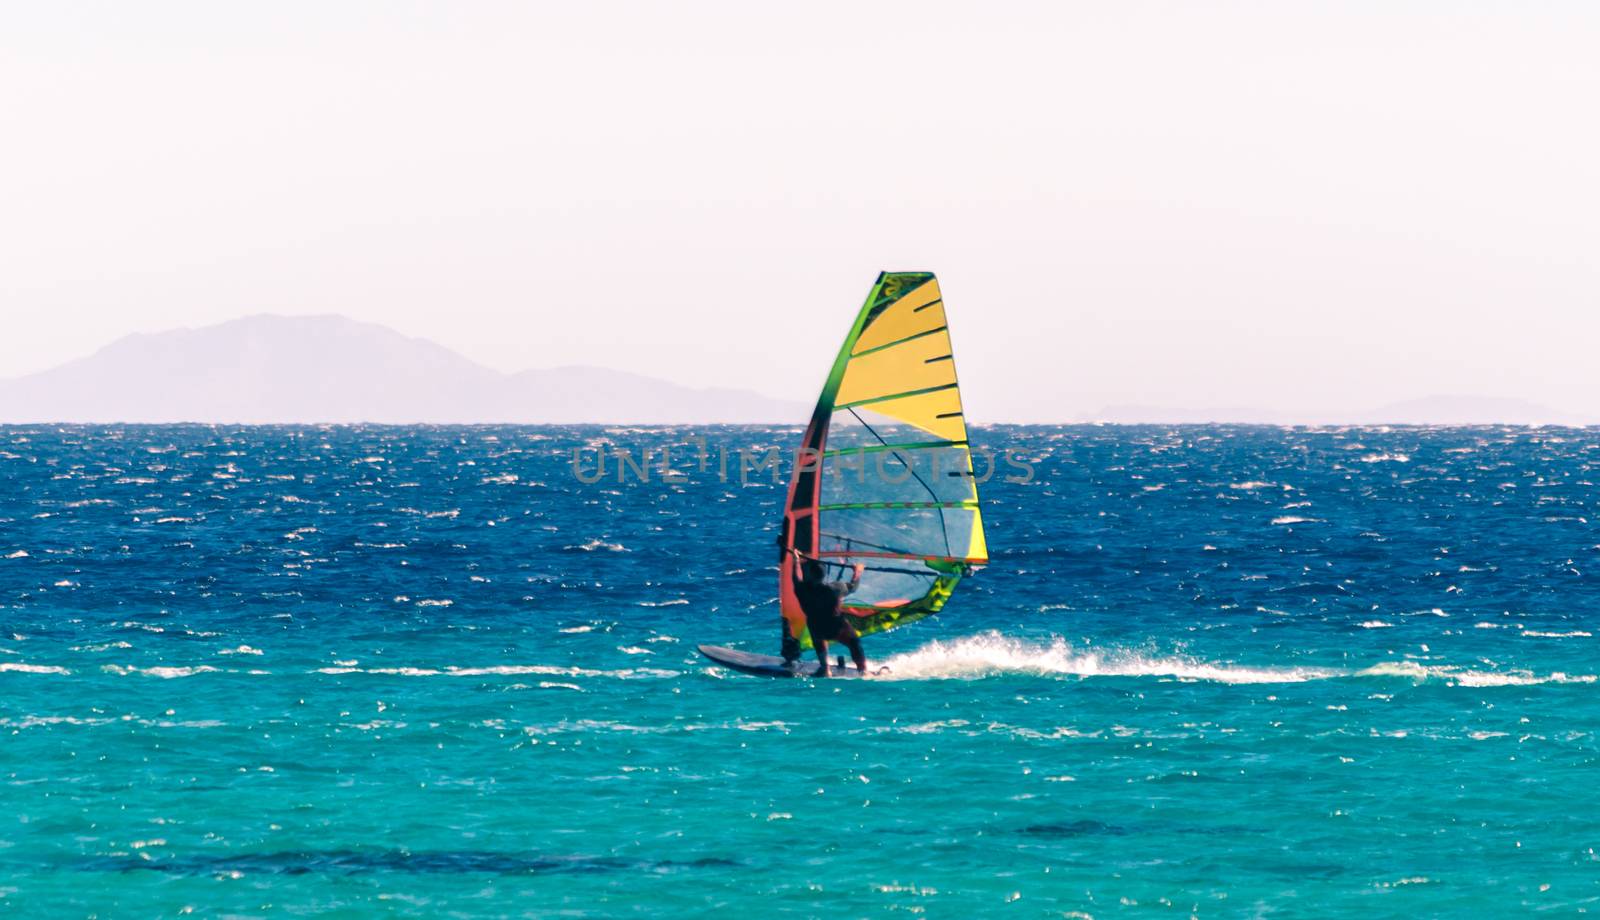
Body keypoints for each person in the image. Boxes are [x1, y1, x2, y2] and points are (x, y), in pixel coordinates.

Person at [787, 548, 867, 677]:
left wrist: (796, 560)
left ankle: (825, 667)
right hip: (837, 627)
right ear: (824, 575)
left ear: (810, 575)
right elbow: (853, 587)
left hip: (817, 629)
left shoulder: (801, 590)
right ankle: (862, 670)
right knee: (854, 643)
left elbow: (796, 577)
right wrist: (857, 572)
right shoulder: (836, 588)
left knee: (814, 625)